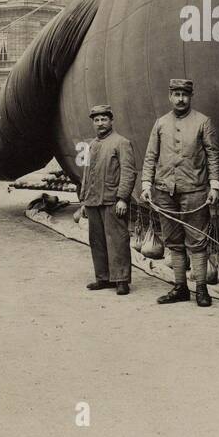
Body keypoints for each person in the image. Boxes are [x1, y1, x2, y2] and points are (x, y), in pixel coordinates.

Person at [140, 78, 219, 308]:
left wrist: (214, 185)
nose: (180, 98)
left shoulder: (203, 122)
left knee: (197, 240)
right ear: (170, 96)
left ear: (191, 96)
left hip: (194, 190)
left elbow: (213, 155)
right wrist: (146, 184)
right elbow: (150, 156)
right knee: (173, 241)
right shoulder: (161, 123)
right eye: (176, 94)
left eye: (185, 94)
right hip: (164, 191)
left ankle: (202, 289)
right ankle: (180, 287)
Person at [76, 104, 137, 296]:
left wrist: (122, 198)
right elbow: (86, 175)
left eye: (104, 119)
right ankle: (102, 278)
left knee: (117, 240)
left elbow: (128, 172)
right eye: (96, 120)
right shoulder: (91, 145)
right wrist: (84, 201)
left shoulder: (122, 143)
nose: (100, 123)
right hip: (93, 201)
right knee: (97, 241)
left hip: (113, 200)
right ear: (93, 123)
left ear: (111, 121)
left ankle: (121, 280)